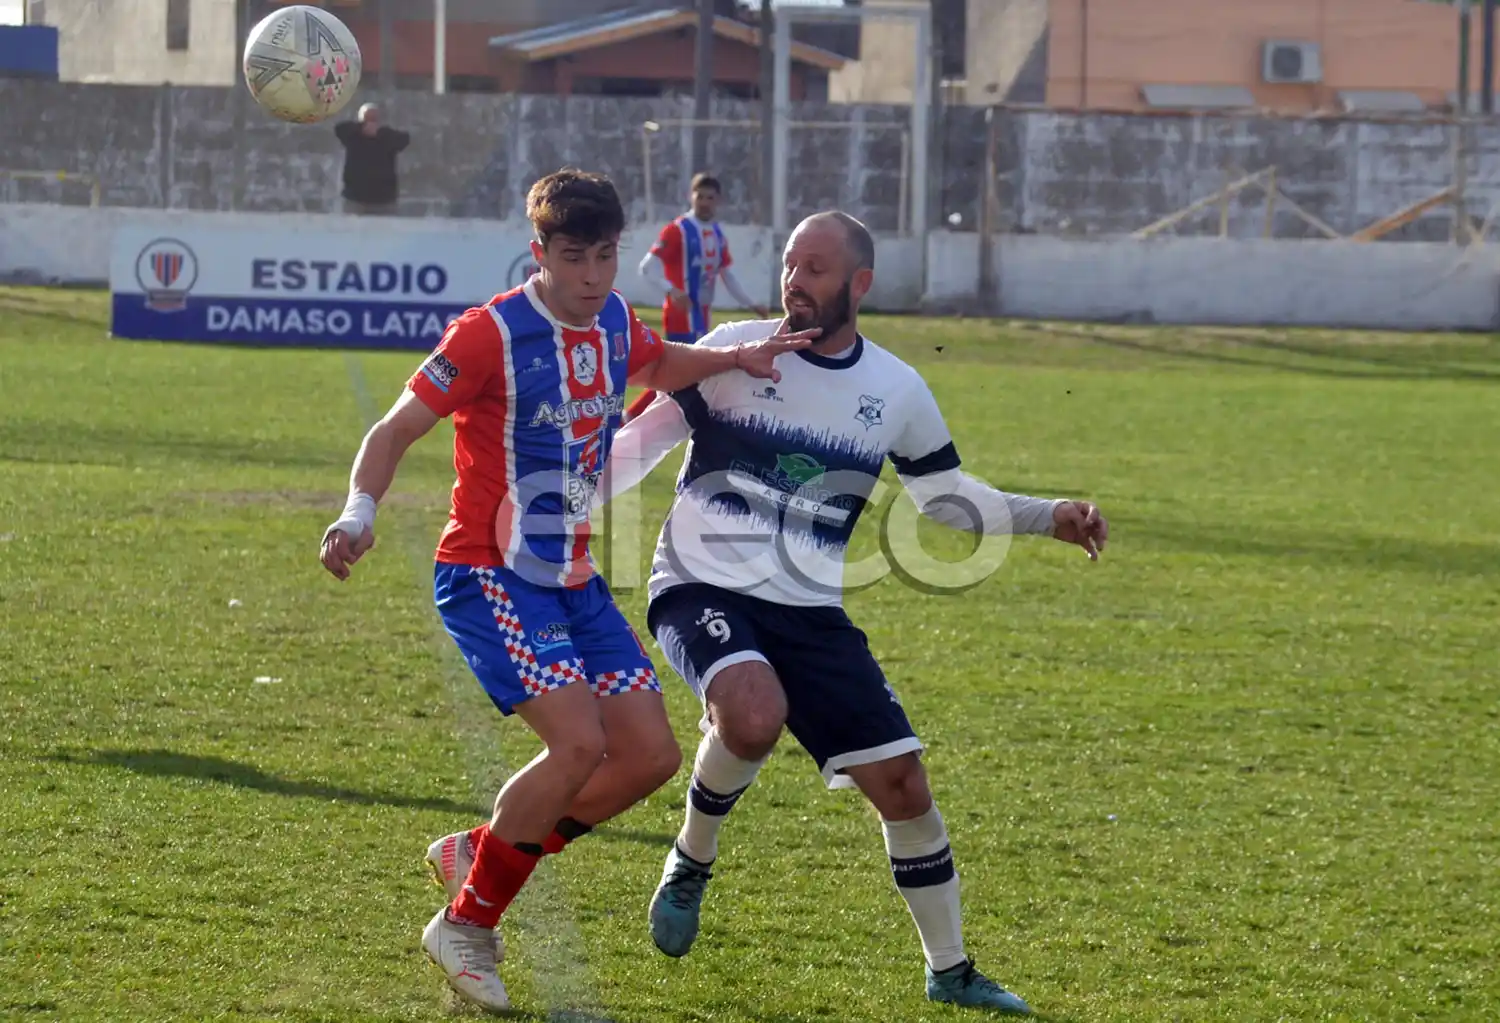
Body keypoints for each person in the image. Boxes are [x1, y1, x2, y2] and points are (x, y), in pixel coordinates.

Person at [317, 168, 817, 1014]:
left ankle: (481, 849)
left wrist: (737, 356)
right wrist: (359, 510)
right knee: (579, 746)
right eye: (575, 257)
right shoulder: (490, 333)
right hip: (489, 572)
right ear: (540, 253)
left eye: (606, 256)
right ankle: (467, 921)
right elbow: (395, 425)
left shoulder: (617, 319)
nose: (593, 275)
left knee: (651, 755)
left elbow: (660, 361)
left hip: (573, 579)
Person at [597, 211, 1110, 1015]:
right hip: (701, 586)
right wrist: (552, 512)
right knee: (754, 710)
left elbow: (945, 498)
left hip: (809, 609)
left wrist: (1050, 515)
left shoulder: (897, 388)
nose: (796, 281)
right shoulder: (736, 348)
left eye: (817, 269)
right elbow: (640, 440)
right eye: (790, 265)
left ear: (859, 284)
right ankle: (693, 857)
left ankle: (950, 969)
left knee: (903, 783)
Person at [629, 172, 769, 419]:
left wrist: (751, 303)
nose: (704, 201)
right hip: (680, 314)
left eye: (710, 197)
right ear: (690, 197)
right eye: (700, 196)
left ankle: (653, 416)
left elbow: (727, 275)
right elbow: (646, 268)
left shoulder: (716, 234)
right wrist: (672, 290)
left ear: (718, 201)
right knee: (678, 372)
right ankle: (635, 416)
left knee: (686, 373)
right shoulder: (677, 230)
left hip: (702, 315)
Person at [334, 103, 410, 215]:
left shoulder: (387, 137)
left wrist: (380, 132)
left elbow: (404, 140)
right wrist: (361, 128)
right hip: (355, 198)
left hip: (383, 200)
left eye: (374, 119)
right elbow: (339, 129)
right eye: (367, 118)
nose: (371, 123)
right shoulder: (353, 135)